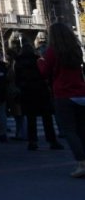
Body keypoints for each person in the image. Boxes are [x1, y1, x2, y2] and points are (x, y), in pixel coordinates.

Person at [38, 22, 85, 177]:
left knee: (70, 130)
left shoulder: (53, 51)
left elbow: (44, 72)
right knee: (82, 130)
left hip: (64, 94)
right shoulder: (76, 49)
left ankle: (82, 163)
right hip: (81, 93)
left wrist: (40, 61)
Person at [15, 42, 63, 151]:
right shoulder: (38, 60)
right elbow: (45, 74)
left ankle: (32, 141)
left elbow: (17, 79)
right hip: (41, 91)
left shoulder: (18, 62)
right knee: (47, 118)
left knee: (31, 118)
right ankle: (52, 141)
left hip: (27, 92)